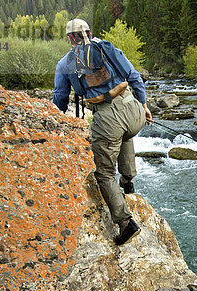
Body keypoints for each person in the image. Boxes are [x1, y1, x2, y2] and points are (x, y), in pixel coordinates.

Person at [52, 18, 152, 245]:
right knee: (124, 132)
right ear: (89, 32)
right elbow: (134, 77)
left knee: (104, 173)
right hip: (133, 110)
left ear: (70, 38)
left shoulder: (66, 63)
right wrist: (144, 106)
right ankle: (128, 181)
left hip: (107, 117)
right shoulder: (107, 47)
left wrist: (56, 121)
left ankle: (126, 223)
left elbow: (59, 98)